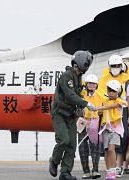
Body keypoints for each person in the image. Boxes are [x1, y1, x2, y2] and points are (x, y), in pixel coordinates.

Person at [49, 51, 97, 180]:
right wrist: (86, 103)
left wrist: (79, 109)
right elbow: (70, 95)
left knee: (71, 145)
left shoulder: (78, 77)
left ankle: (65, 172)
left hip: (70, 115)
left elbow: (77, 95)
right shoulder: (67, 76)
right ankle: (54, 161)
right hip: (59, 114)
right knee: (63, 140)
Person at [98, 55, 129, 177]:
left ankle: (118, 166)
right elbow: (99, 96)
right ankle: (110, 168)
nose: (115, 68)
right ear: (109, 67)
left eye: (117, 66)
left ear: (121, 67)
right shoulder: (103, 79)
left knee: (122, 138)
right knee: (106, 141)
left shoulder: (127, 80)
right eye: (113, 66)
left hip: (121, 110)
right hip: (105, 110)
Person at [96, 80, 127, 180]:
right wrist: (99, 111)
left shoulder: (120, 101)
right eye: (109, 91)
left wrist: (101, 108)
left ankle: (113, 170)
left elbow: (112, 106)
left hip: (116, 130)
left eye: (113, 91)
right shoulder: (104, 101)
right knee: (106, 151)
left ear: (118, 92)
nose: (111, 93)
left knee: (111, 149)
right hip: (106, 129)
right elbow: (100, 111)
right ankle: (109, 171)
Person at [78, 74, 106, 179]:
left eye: (94, 83)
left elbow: (104, 110)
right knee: (82, 146)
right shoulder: (81, 94)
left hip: (95, 122)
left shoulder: (101, 95)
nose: (91, 85)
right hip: (82, 121)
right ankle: (86, 171)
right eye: (89, 83)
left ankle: (95, 170)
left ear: (97, 85)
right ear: (86, 84)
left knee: (95, 146)